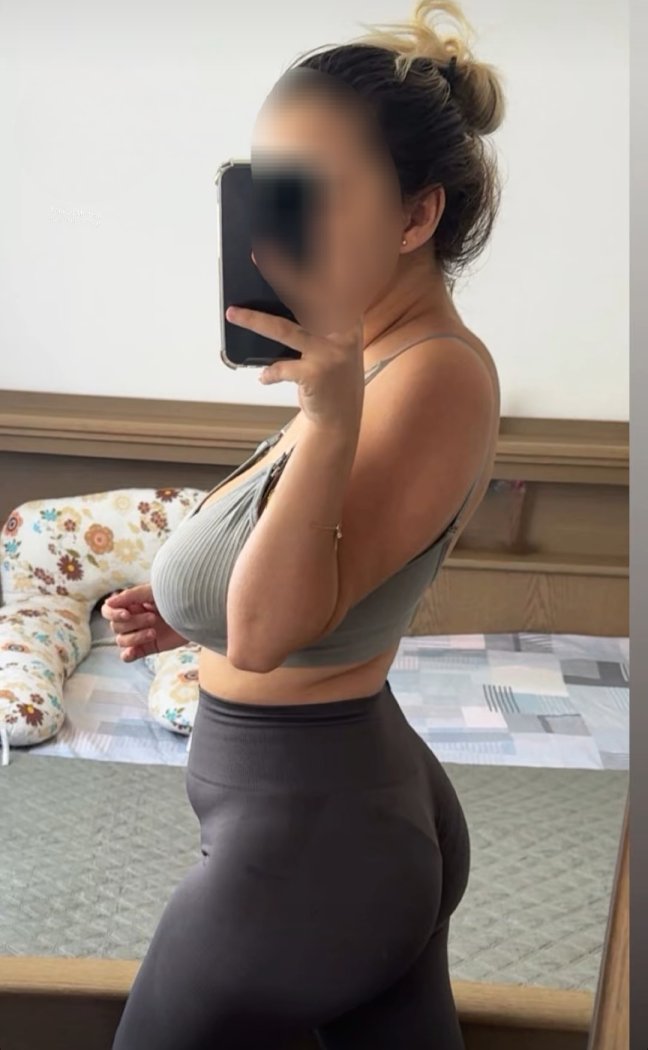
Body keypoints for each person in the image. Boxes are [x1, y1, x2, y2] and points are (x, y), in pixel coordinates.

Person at [103, 2, 504, 1046]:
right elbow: (320, 568)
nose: (273, 227)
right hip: (330, 819)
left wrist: (325, 414)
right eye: (265, 186)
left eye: (310, 192)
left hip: (313, 838)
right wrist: (194, 609)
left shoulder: (429, 376)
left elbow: (272, 631)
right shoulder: (370, 355)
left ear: (416, 217)